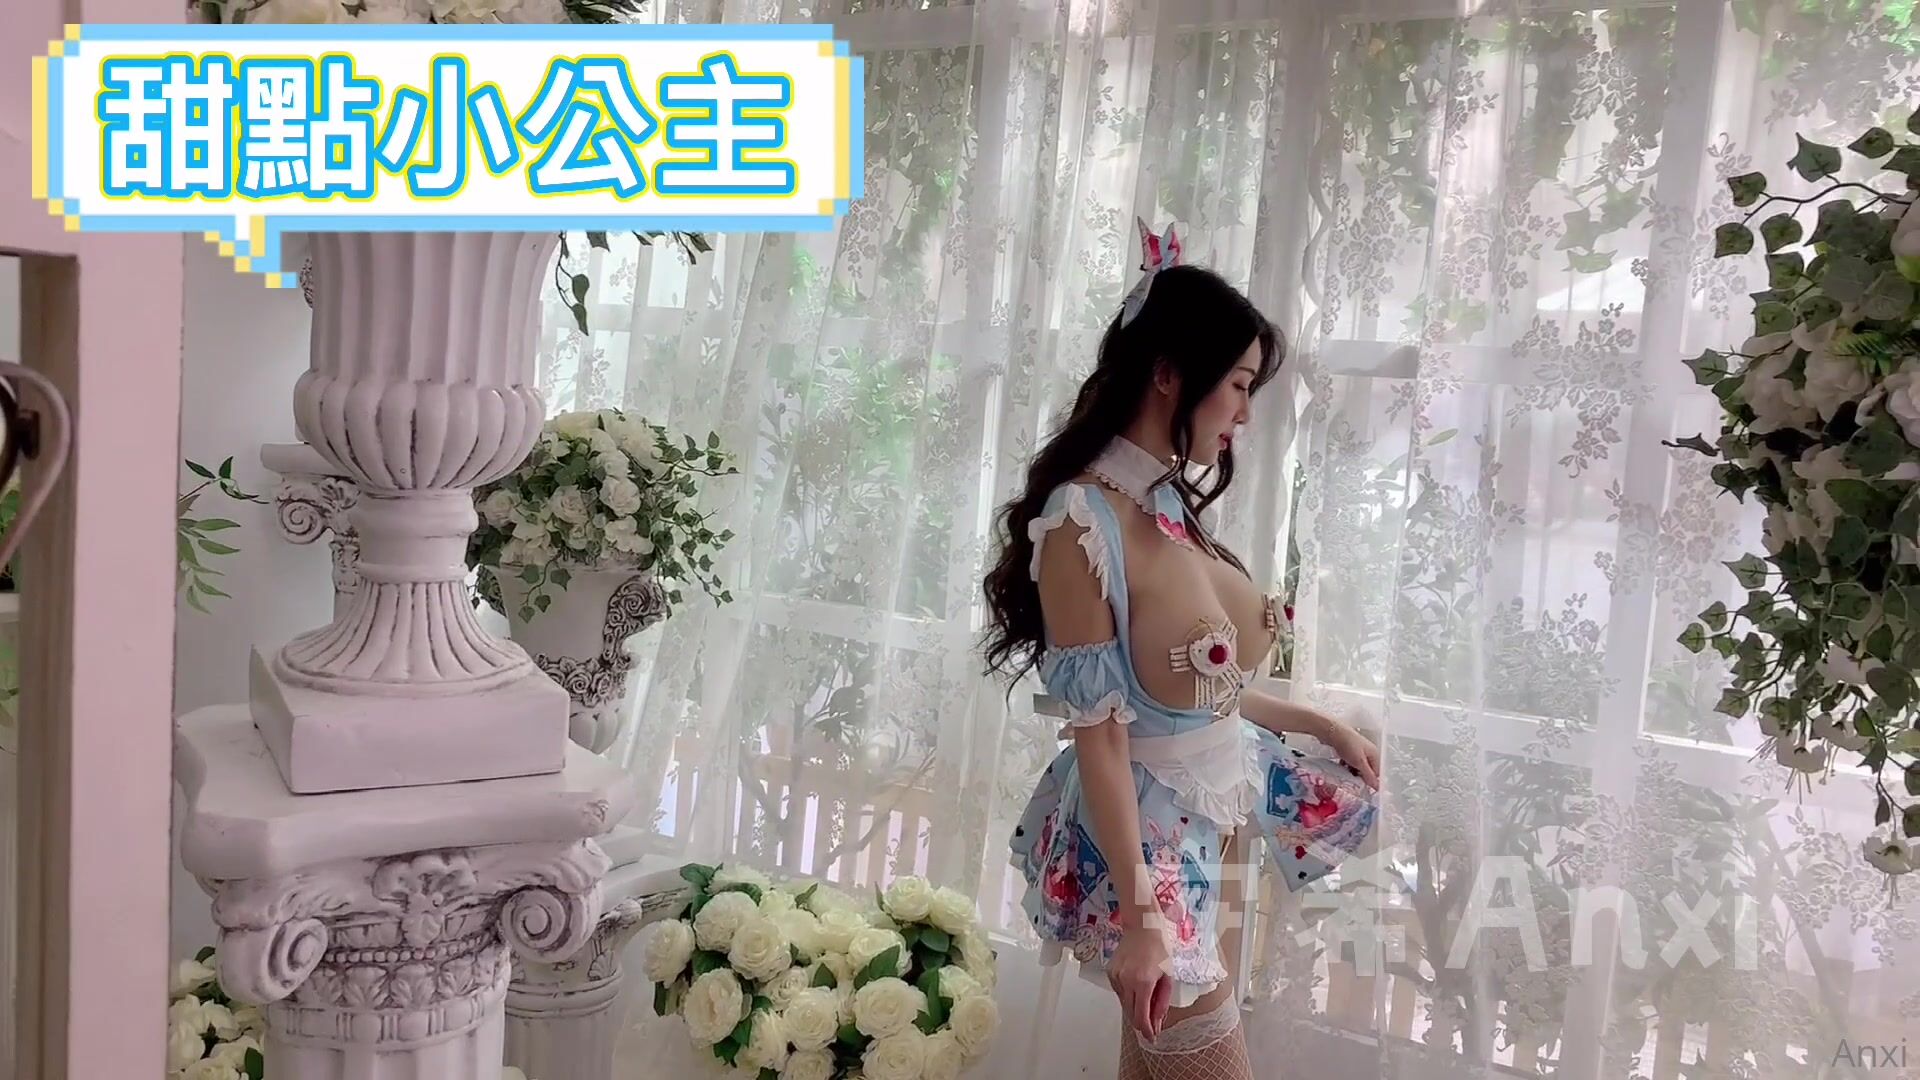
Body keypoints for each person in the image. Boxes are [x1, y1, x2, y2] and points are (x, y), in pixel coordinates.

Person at [982, 223, 1381, 1079]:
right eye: (1237, 385)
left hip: (1201, 835)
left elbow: (1195, 691)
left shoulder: (1161, 504)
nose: (1244, 411)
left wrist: (1319, 723)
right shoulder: (1081, 524)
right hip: (1147, 860)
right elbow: (1102, 737)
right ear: (1168, 374)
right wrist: (1142, 920)